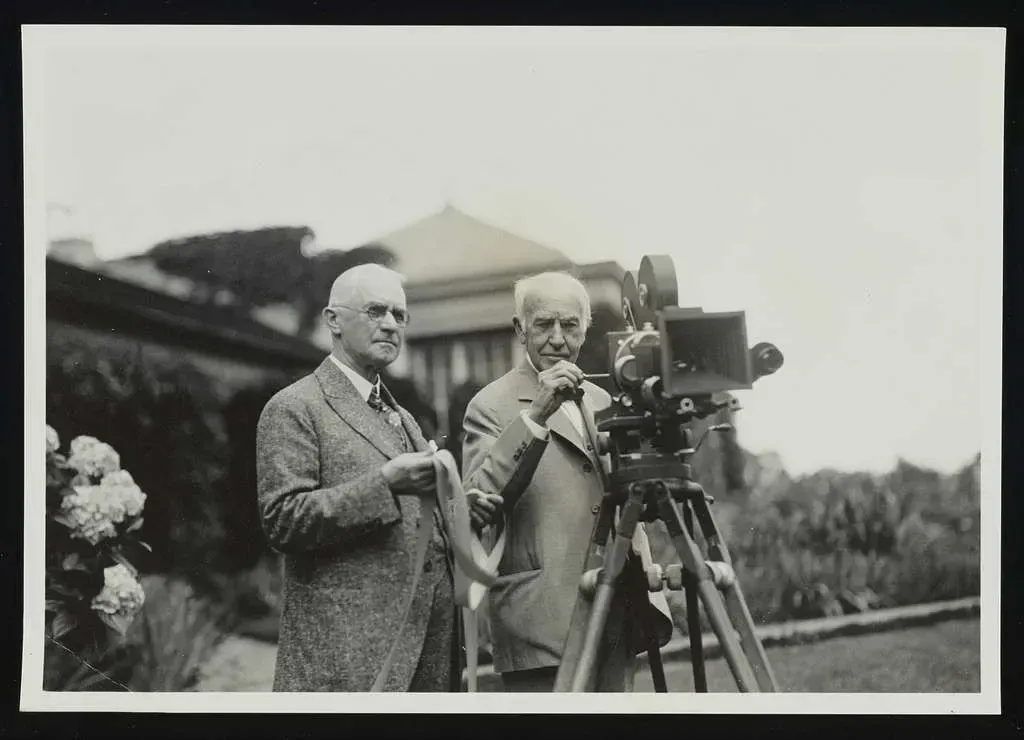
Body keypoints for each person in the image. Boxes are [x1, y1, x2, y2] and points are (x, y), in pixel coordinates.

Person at [461, 271, 674, 692]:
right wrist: (536, 415)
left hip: (617, 609)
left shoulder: (603, 399)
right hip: (540, 622)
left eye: (570, 325)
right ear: (520, 329)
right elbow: (479, 500)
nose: (557, 339)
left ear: (585, 330)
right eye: (544, 324)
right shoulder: (489, 405)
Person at [255, 263, 457, 692]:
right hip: (349, 664)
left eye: (399, 315)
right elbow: (283, 519)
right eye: (375, 311)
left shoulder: (403, 416)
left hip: (428, 658)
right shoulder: (294, 407)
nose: (390, 325)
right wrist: (385, 484)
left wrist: (462, 509)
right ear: (333, 320)